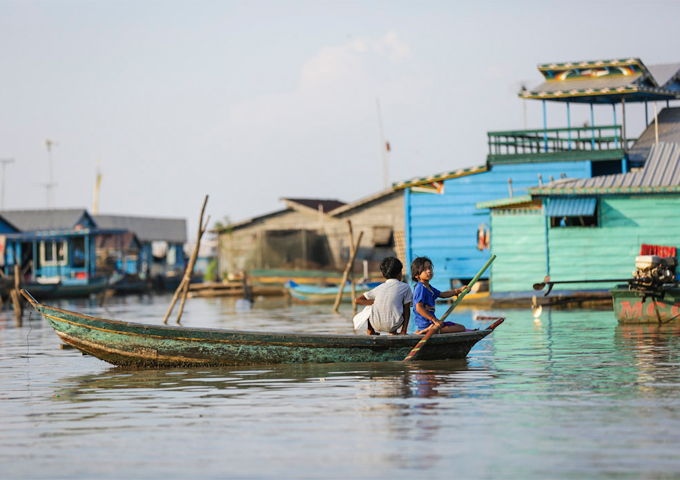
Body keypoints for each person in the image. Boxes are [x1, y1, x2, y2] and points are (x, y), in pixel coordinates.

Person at [354, 257, 412, 335]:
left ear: (382, 275)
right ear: (400, 274)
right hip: (395, 324)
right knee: (401, 305)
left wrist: (375, 302)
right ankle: (398, 332)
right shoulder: (405, 287)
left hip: (375, 324)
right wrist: (403, 330)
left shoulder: (379, 288)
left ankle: (370, 330)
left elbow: (357, 300)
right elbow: (407, 309)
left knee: (371, 307)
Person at [411, 256, 468, 335]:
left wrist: (458, 291)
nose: (428, 271)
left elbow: (442, 294)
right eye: (424, 269)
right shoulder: (420, 288)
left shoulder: (429, 288)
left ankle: (425, 330)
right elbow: (419, 308)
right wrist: (435, 320)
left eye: (430, 268)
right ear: (417, 275)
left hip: (432, 323)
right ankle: (429, 330)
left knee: (459, 326)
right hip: (428, 324)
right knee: (461, 328)